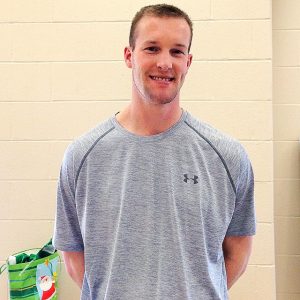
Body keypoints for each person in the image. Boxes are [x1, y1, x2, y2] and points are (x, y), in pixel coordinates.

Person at [53, 4, 256, 300]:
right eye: (151, 48)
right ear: (128, 55)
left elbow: (238, 252)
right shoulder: (82, 156)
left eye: (176, 51)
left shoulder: (228, 156)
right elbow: (74, 257)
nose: (165, 63)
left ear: (188, 61)